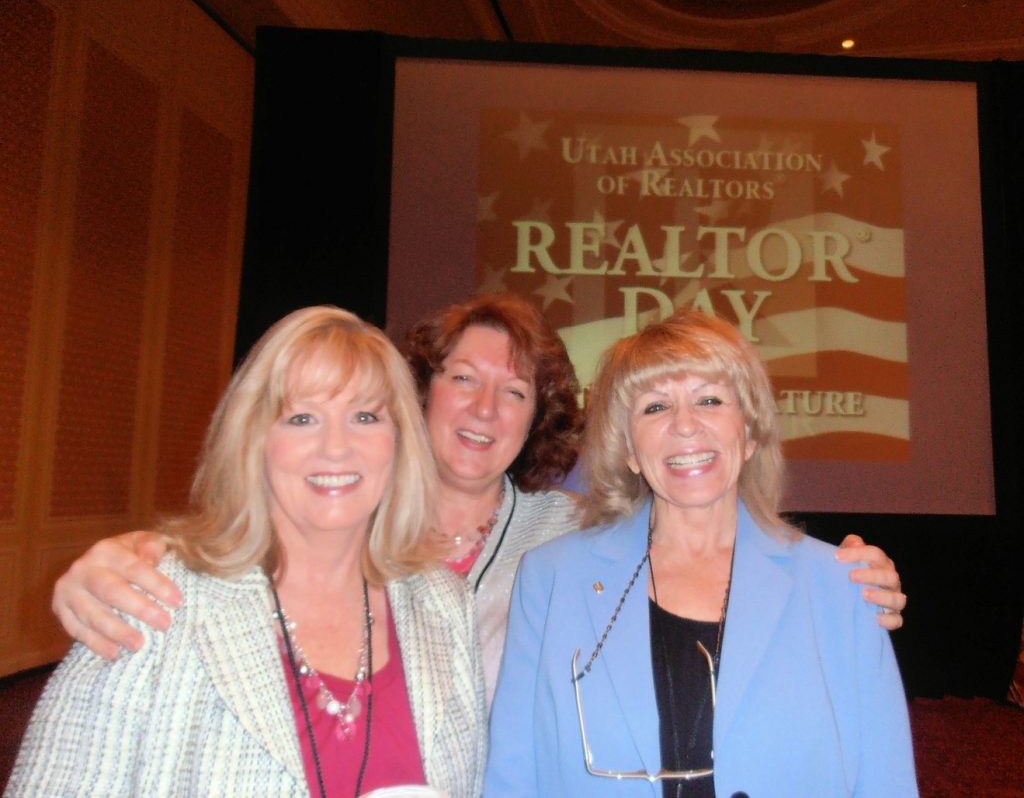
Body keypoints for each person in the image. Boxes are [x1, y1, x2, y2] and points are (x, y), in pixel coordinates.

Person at [50, 295, 906, 704]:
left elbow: (699, 520)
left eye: (515, 392)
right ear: (418, 390)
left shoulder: (571, 534)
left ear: (541, 420)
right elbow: (239, 535)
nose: (485, 408)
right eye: (462, 379)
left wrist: (838, 572)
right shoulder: (343, 512)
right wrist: (125, 555)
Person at [10, 307, 486, 797]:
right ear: (253, 439)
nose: (337, 447)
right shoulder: (154, 601)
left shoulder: (444, 606)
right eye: (302, 418)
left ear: (400, 440)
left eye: (365, 416)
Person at [485, 309, 917, 797]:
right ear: (628, 449)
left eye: (710, 399)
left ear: (750, 433)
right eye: (654, 407)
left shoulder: (841, 585)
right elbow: (514, 774)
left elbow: (886, 780)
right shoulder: (551, 578)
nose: (685, 426)